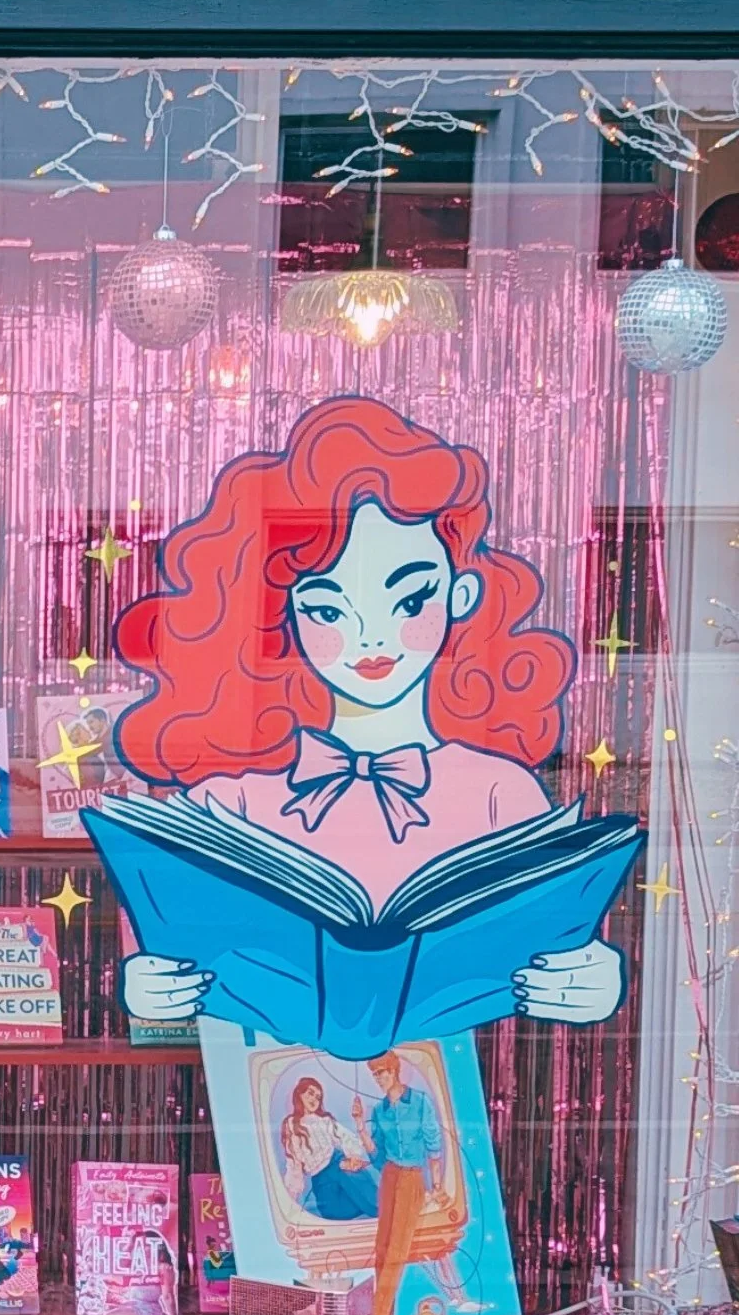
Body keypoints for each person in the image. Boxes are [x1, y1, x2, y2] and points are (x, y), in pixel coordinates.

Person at [111, 398, 624, 1034]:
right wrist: (148, 986)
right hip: (258, 1078)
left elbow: (551, 945)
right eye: (328, 611)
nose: (371, 639)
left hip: (456, 1078)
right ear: (282, 618)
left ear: (461, 595)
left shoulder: (502, 793)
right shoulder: (229, 800)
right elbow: (170, 951)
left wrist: (587, 980)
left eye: (410, 599)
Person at [364, 1047, 472, 1315]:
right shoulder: (379, 1110)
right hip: (389, 1178)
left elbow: (433, 1146)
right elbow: (378, 1157)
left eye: (382, 1072)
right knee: (382, 1253)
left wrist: (436, 1185)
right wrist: (360, 1127)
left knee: (396, 1254)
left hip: (412, 1179)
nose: (379, 1079)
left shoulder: (420, 1102)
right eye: (375, 1075)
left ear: (394, 1070)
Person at [278, 1074, 380, 1221]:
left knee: (373, 1204)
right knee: (333, 1213)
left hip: (339, 1164)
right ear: (299, 1094)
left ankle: (388, 1206)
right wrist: (291, 1199)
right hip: (321, 1179)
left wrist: (352, 1157)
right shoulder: (291, 1124)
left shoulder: (325, 1120)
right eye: (310, 1093)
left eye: (318, 1097)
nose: (314, 1100)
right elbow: (294, 1164)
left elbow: (347, 1138)